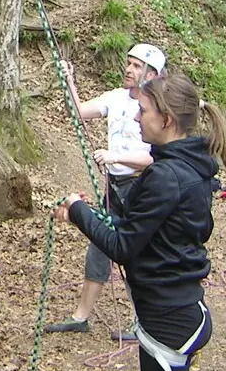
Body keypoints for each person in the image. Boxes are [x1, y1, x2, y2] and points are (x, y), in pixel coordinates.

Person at [52, 72, 226, 371]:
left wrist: (78, 211)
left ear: (167, 119)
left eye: (144, 109)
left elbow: (122, 246)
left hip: (170, 326)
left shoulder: (167, 177)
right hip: (177, 313)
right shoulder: (189, 169)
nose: (136, 113)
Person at [46, 43, 166, 338]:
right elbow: (78, 111)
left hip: (140, 187)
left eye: (137, 66)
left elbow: (156, 157)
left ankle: (145, 322)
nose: (128, 69)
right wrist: (69, 80)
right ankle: (80, 316)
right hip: (115, 188)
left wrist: (116, 157)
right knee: (99, 246)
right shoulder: (116, 98)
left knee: (137, 254)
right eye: (128, 63)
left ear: (151, 74)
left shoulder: (157, 111)